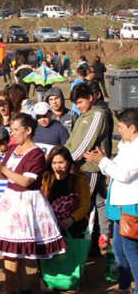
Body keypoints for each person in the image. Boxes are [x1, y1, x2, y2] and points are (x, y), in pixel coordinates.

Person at [0, 114, 67, 294]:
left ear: (28, 130)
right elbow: (3, 176)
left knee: (13, 248)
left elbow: (25, 181)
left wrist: (3, 168)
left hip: (26, 204)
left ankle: (8, 289)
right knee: (15, 247)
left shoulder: (37, 154)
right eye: (12, 129)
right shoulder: (13, 149)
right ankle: (24, 287)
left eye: (15, 130)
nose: (12, 134)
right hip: (11, 201)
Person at [84, 108, 138, 294]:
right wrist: (102, 161)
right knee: (118, 248)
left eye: (122, 127)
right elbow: (114, 170)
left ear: (133, 127)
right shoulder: (126, 145)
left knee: (131, 250)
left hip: (130, 204)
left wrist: (104, 161)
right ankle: (124, 286)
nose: (119, 130)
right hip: (119, 203)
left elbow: (124, 175)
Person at [66, 83, 112, 253]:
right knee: (99, 203)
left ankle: (86, 245)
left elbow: (86, 144)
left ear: (91, 98)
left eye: (80, 102)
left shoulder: (97, 115)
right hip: (81, 166)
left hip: (90, 168)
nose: (78, 106)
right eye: (76, 103)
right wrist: (64, 153)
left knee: (84, 206)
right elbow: (71, 141)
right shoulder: (83, 115)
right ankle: (98, 240)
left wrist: (67, 160)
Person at [41, 146, 90, 239]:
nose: (57, 167)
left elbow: (85, 205)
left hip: (74, 219)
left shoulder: (80, 178)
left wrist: (71, 219)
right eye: (54, 163)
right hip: (50, 218)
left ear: (69, 162)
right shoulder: (45, 177)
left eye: (61, 162)